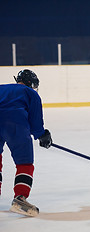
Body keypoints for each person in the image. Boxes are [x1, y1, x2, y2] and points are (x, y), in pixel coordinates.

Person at [0, 69, 52, 217]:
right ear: (31, 83)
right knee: (25, 162)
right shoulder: (31, 93)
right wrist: (42, 135)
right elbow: (35, 123)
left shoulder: (1, 88)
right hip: (15, 123)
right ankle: (20, 198)